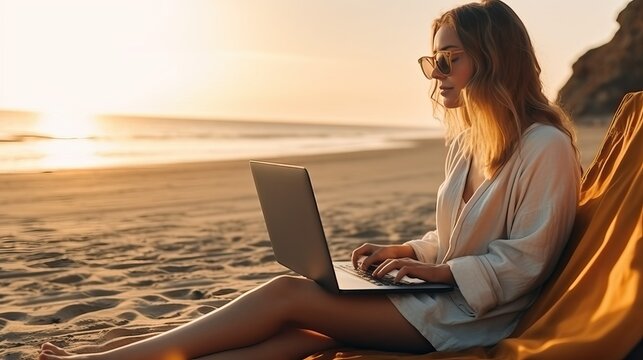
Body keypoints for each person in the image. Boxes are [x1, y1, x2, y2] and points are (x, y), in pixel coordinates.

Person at [38, 1, 581, 359]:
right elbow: (459, 238)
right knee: (300, 338)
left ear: (493, 61)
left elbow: (524, 263)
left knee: (288, 295)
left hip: (472, 319)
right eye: (432, 59)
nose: (435, 73)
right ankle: (144, 354)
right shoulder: (470, 140)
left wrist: (436, 274)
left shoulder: (544, 148)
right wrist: (405, 249)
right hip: (438, 297)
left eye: (449, 59)